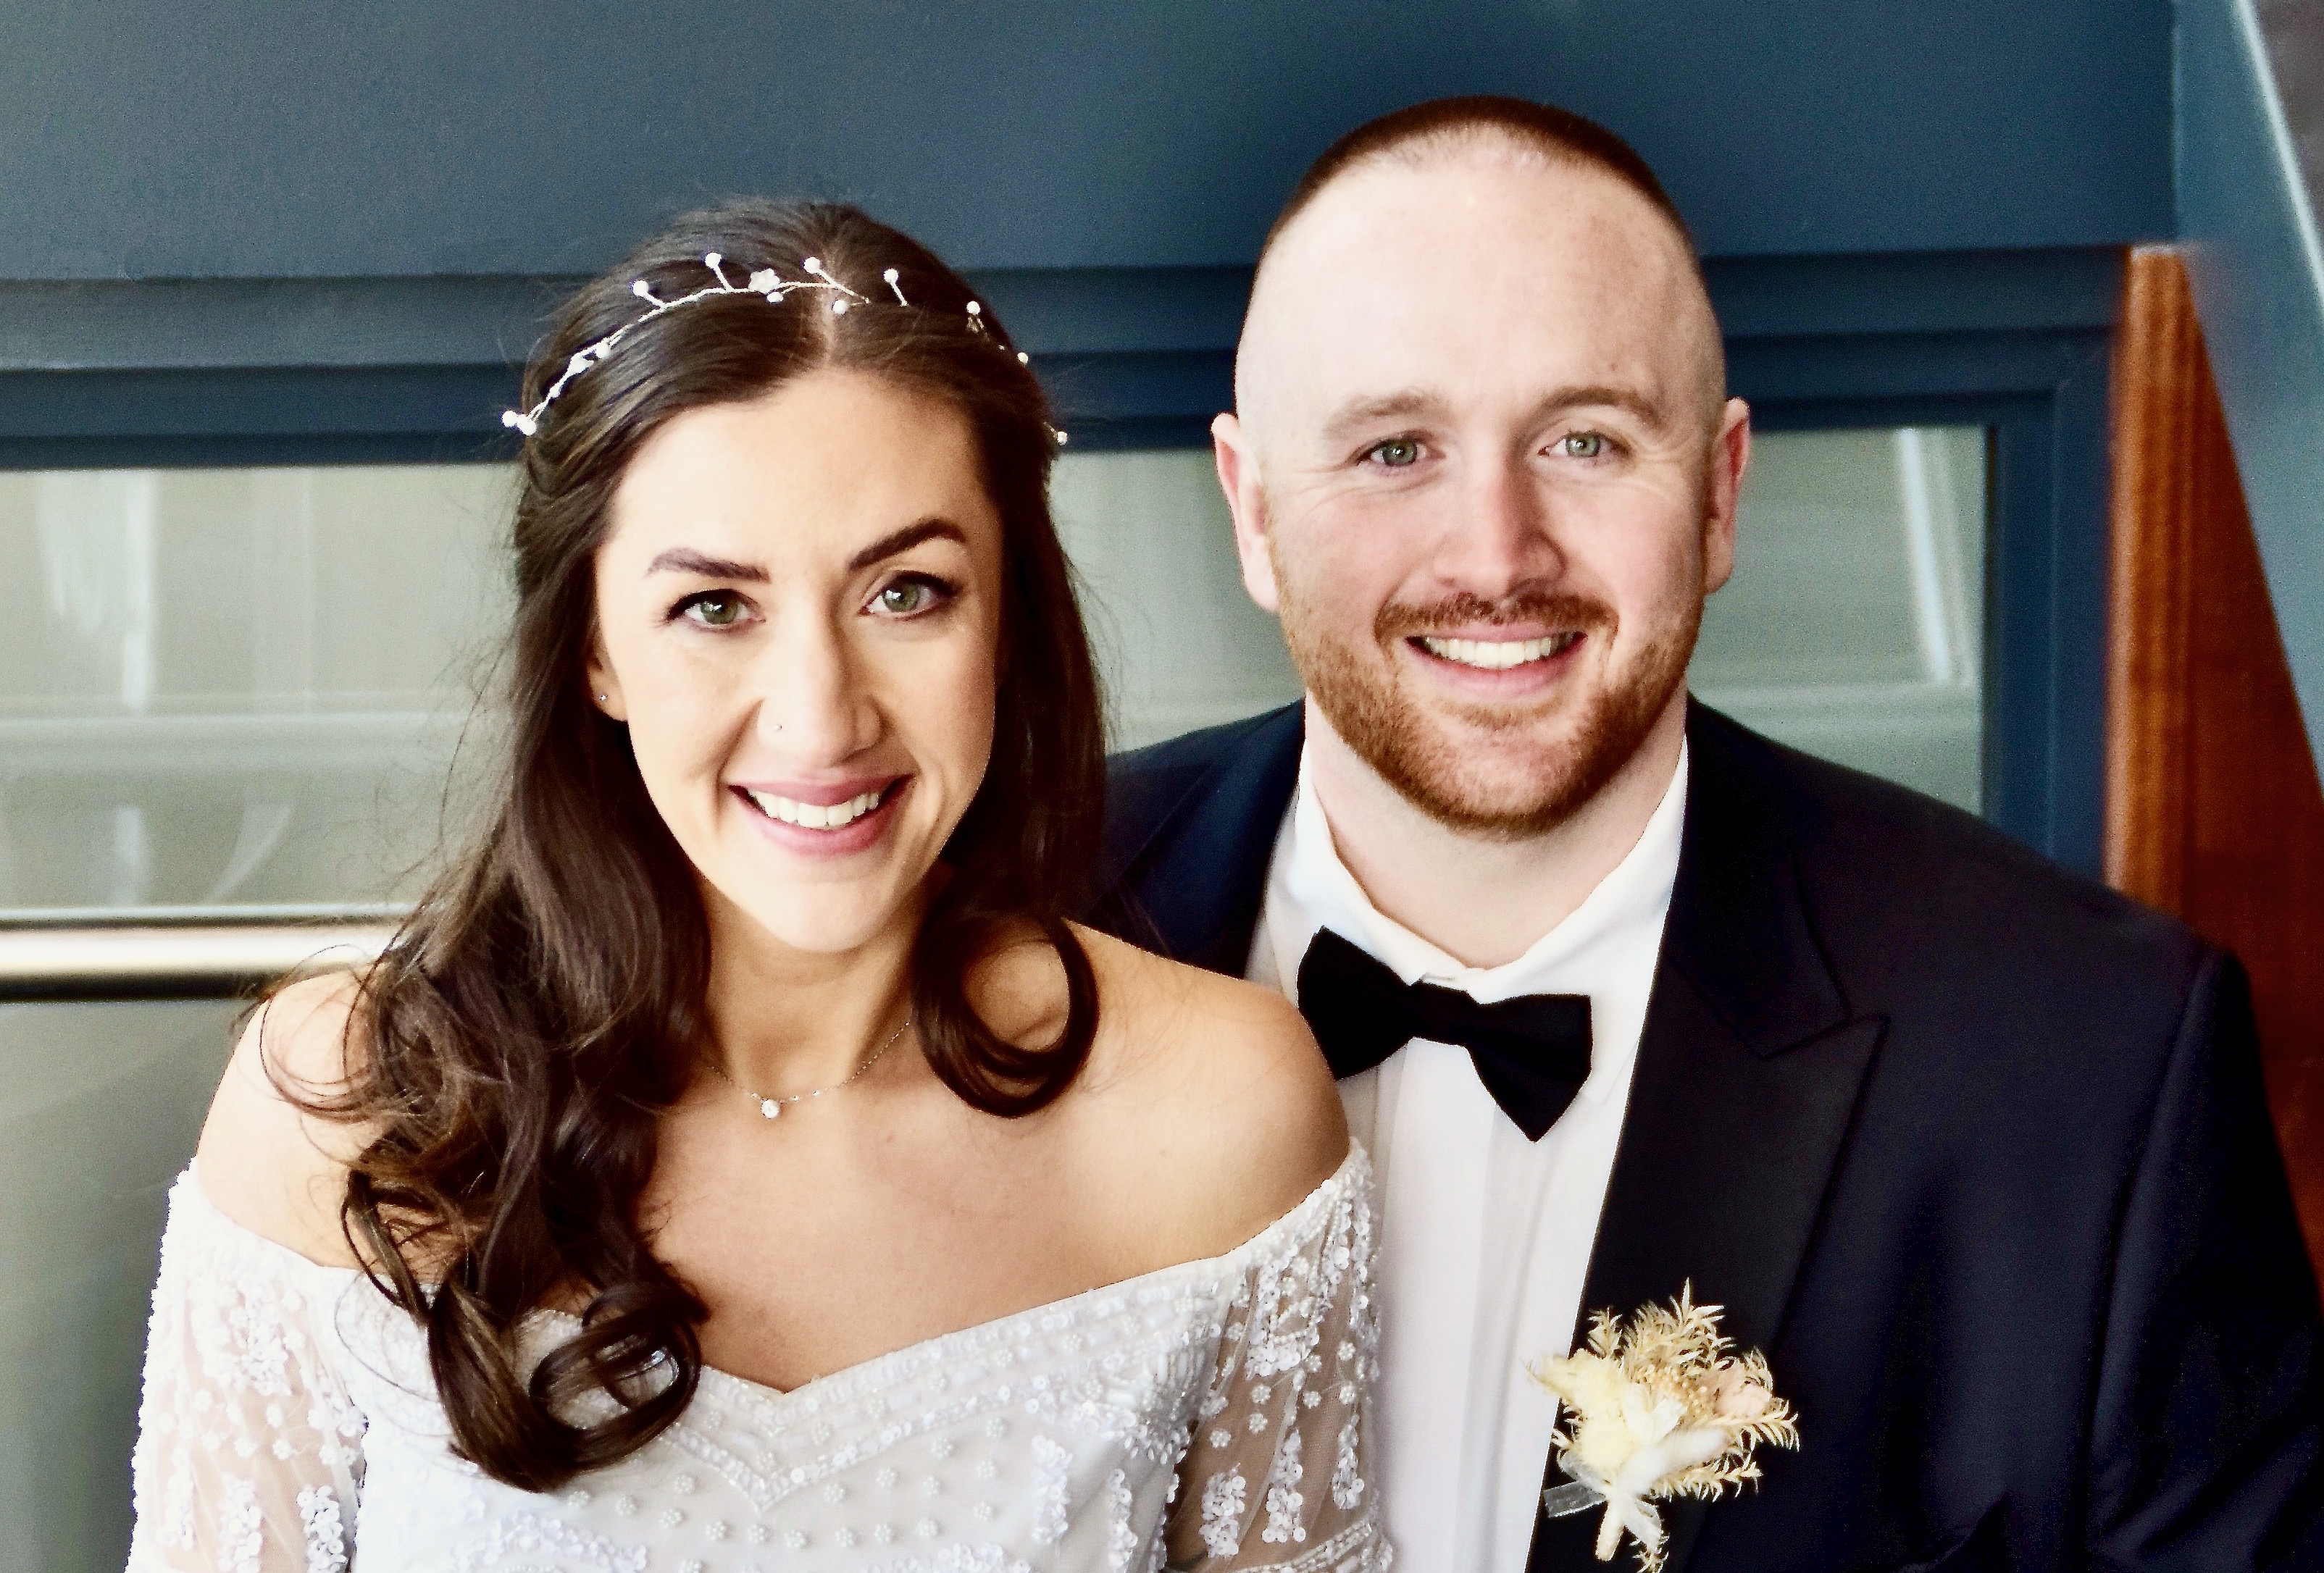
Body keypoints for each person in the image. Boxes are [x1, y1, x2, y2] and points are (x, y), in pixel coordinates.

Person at [1090, 97, 2324, 1572]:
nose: (1495, 552)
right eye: (1394, 450)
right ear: (1251, 513)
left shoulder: (2094, 1071)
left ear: (1722, 490)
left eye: (1585, 440)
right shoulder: (1003, 929)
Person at [126, 200, 1384, 1571]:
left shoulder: (1220, 1119)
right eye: (715, 608)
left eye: (905, 593)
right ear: (594, 650)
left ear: (1009, 620)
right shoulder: (343, 1112)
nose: (820, 717)